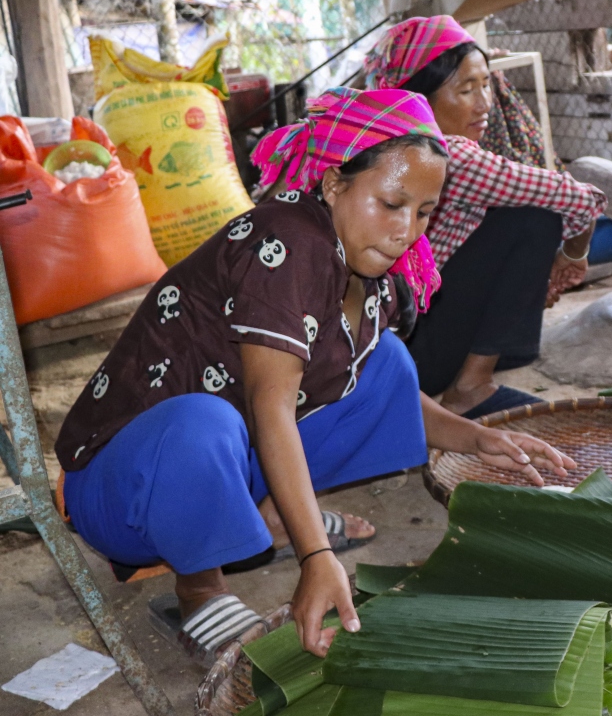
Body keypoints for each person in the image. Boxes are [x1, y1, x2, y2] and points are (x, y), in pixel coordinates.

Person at [56, 88, 574, 662]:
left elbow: (378, 388)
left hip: (225, 462)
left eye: (424, 212)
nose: (407, 231)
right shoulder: (288, 242)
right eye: (392, 203)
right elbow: (270, 404)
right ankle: (200, 587)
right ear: (333, 185)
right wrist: (316, 557)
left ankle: (271, 513)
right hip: (123, 488)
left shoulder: (370, 263)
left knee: (386, 364)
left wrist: (480, 437)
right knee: (202, 421)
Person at [358, 16, 608, 419]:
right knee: (535, 218)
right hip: (401, 362)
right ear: (420, 97)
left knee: (510, 216)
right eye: (465, 90)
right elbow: (582, 199)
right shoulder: (450, 156)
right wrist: (573, 257)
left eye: (486, 84)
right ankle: (470, 387)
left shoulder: (379, 142)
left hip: (378, 347)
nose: (485, 104)